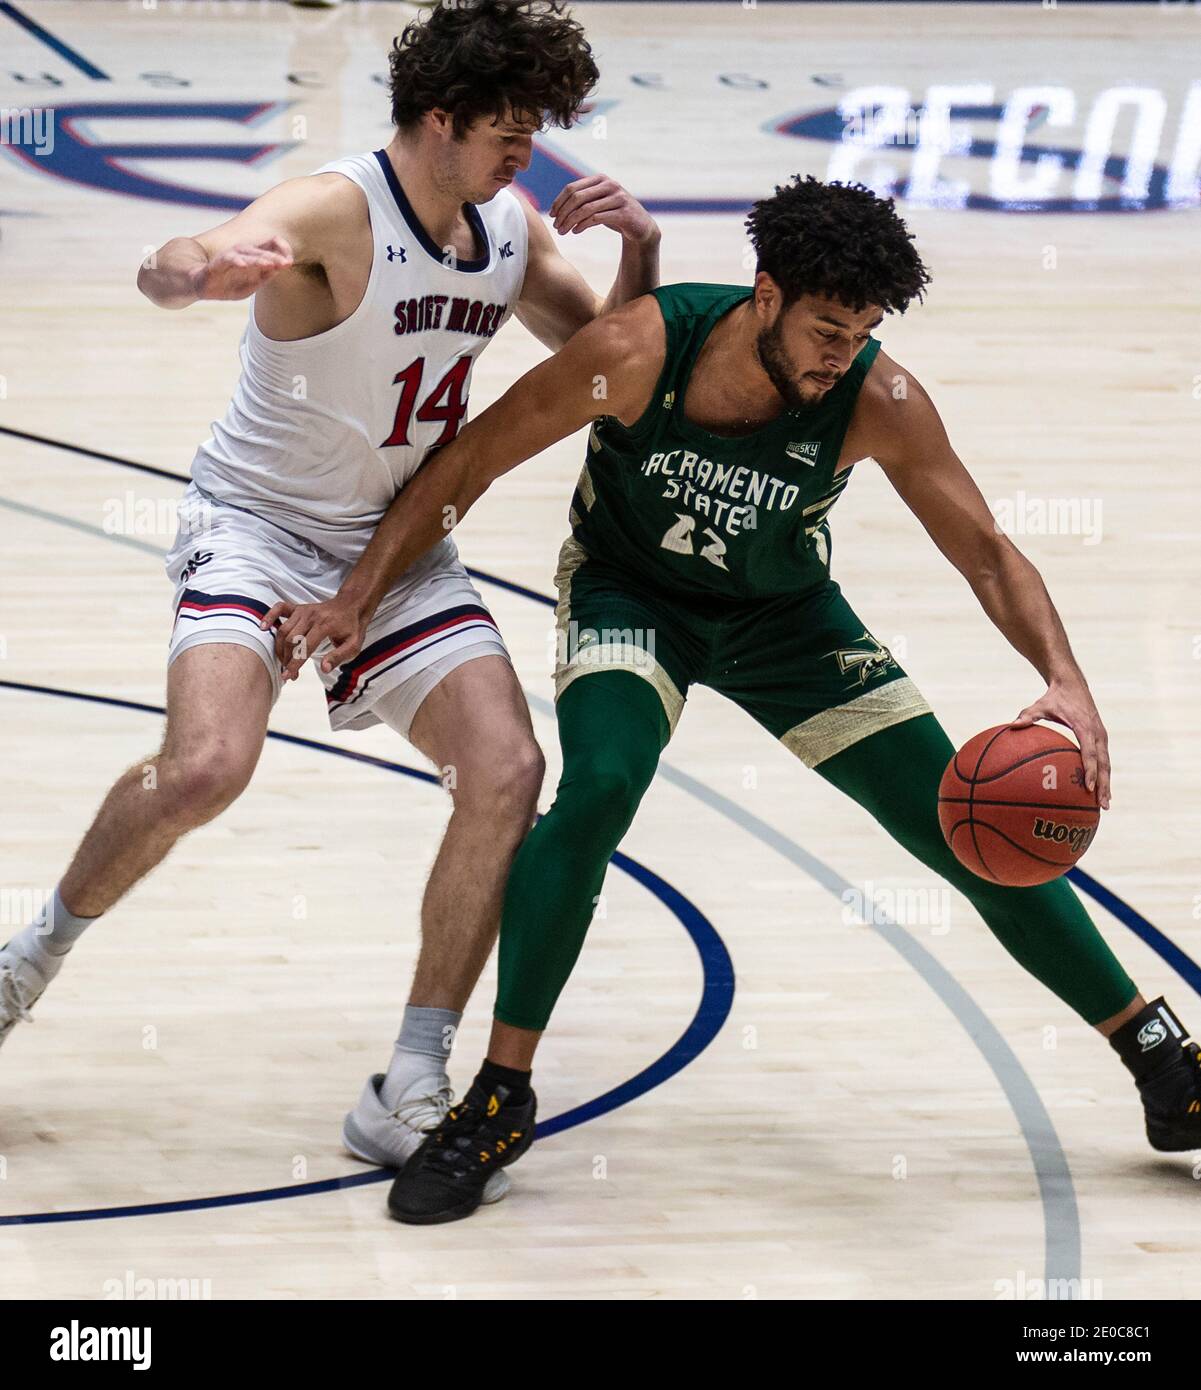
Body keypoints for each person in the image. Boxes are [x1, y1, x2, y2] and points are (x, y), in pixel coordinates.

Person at [263, 175, 1201, 1226]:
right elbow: (468, 460)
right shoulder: (637, 351)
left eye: (859, 335)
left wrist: (1064, 677)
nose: (837, 355)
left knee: (967, 818)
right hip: (633, 593)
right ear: (764, 295)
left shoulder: (878, 400)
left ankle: (1159, 1060)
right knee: (599, 787)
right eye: (825, 329)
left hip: (784, 622)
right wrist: (356, 594)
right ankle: (500, 1092)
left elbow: (983, 550)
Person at [0, 0, 661, 1199]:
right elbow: (179, 260)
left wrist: (644, 250)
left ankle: (409, 1081)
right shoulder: (332, 210)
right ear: (441, 119)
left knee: (508, 770)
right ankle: (22, 967)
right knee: (205, 767)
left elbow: (616, 354)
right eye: (509, 132)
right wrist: (201, 270)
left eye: (535, 133)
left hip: (402, 548)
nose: (527, 154)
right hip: (255, 529)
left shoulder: (506, 231)